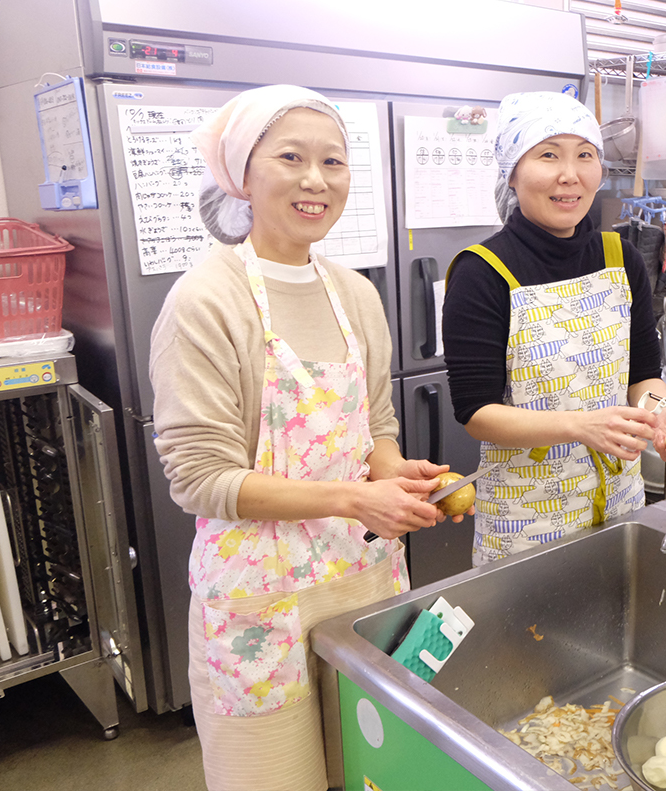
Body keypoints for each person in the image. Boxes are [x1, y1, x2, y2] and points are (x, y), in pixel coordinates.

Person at [150, 84, 463, 791]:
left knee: (372, 768)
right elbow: (200, 479)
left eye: (334, 161)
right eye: (291, 157)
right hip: (259, 600)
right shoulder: (206, 300)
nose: (316, 180)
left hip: (361, 581)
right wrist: (357, 501)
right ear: (243, 173)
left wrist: (400, 475)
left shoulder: (355, 293)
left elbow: (375, 428)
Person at [442, 91, 666, 565]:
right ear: (513, 171)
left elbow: (641, 377)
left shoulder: (619, 257)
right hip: (526, 522)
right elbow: (476, 412)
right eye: (548, 155)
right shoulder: (481, 271)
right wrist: (581, 427)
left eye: (585, 155)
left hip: (619, 508)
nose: (570, 174)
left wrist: (660, 412)